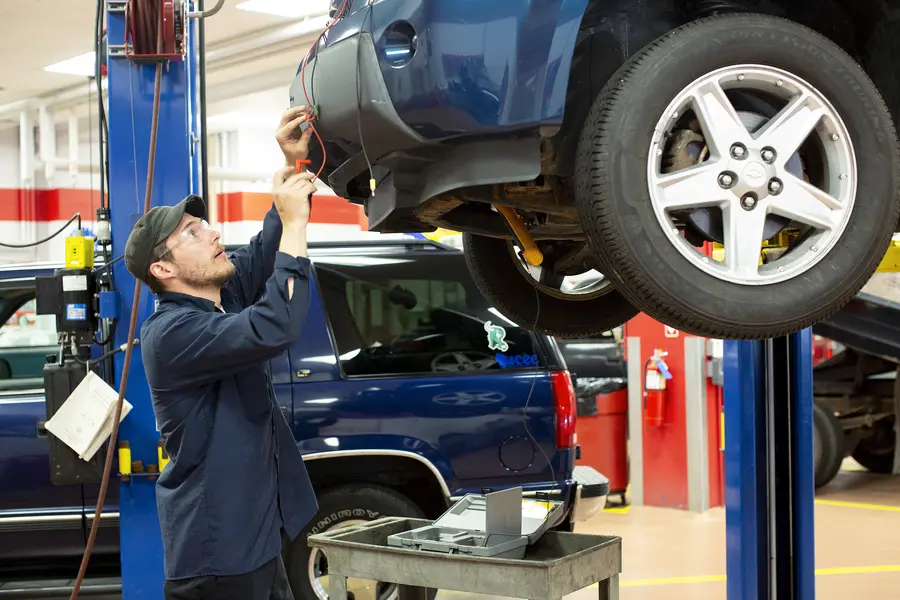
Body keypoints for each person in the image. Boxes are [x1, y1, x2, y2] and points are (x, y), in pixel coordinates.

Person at [123, 106, 318, 599]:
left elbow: (264, 250)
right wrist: (299, 228)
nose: (211, 231)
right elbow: (276, 324)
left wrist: (292, 165)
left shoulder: (218, 301)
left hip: (257, 541)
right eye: (190, 233)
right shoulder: (171, 334)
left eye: (203, 224)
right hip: (218, 558)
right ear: (163, 271)